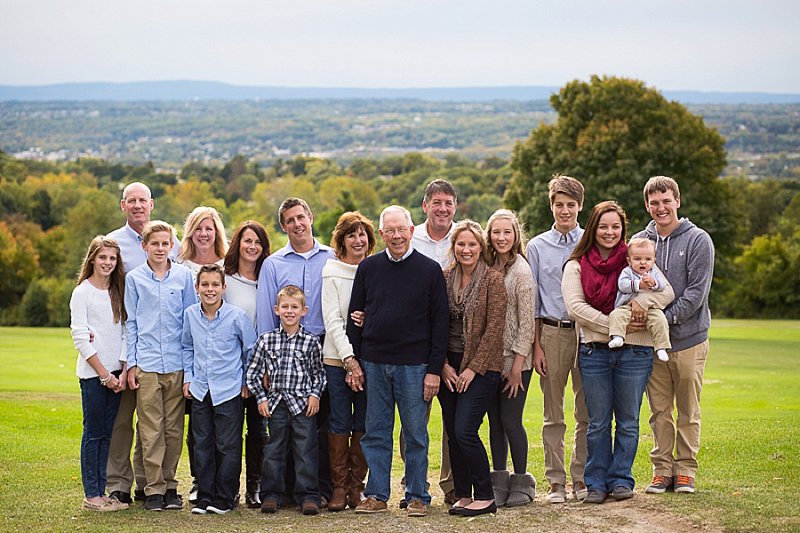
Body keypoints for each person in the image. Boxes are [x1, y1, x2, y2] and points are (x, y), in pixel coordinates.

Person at [562, 201, 674, 504]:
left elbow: (666, 292)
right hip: (594, 352)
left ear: (623, 230)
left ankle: (621, 479)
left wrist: (642, 303)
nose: (609, 232)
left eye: (615, 226)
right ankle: (596, 482)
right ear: (593, 228)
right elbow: (575, 308)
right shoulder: (576, 265)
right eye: (603, 226)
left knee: (628, 420)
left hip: (635, 352)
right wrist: (614, 325)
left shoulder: (637, 259)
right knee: (597, 422)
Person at [346, 205, 449, 518]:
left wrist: (434, 371)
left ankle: (417, 495)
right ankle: (377, 494)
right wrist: (357, 361)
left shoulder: (430, 270)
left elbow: (440, 325)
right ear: (381, 234)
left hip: (415, 366)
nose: (396, 236)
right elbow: (354, 317)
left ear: (411, 231)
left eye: (401, 229)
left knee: (415, 434)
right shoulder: (369, 268)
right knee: (376, 432)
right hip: (374, 364)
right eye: (390, 230)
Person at [635, 176, 715, 495]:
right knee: (659, 411)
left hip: (688, 341)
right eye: (654, 203)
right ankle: (662, 470)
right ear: (647, 206)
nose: (661, 208)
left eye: (666, 201)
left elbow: (696, 294)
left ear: (677, 201)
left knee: (688, 410)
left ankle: (685, 471)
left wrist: (660, 321)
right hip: (652, 345)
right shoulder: (640, 241)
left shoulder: (698, 240)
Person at [256, 197, 336, 505]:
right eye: (290, 220)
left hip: (323, 346)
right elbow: (266, 315)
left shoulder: (331, 257)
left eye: (301, 217)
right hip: (282, 352)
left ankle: (318, 490)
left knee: (318, 424)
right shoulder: (273, 264)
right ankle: (283, 491)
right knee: (281, 429)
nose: (297, 224)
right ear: (283, 226)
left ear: (310, 217)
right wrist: (267, 365)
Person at [105, 182, 178, 505]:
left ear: (152, 204)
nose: (137, 205)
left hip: (164, 353)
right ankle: (119, 483)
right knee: (124, 422)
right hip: (123, 343)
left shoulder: (171, 245)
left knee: (158, 425)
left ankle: (149, 483)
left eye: (142, 200)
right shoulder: (113, 242)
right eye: (131, 200)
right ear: (123, 205)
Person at [526, 175, 589, 503]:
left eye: (571, 205)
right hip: (552, 333)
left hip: (587, 333)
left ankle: (581, 477)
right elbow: (534, 301)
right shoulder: (537, 247)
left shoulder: (590, 242)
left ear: (580, 206)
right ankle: (556, 482)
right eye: (559, 204)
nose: (565, 211)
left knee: (586, 411)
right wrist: (536, 346)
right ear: (551, 206)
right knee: (553, 413)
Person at [125, 220, 196, 512]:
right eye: (154, 243)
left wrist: (190, 370)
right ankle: (153, 489)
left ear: (172, 246)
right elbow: (131, 323)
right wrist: (131, 364)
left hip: (177, 364)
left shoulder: (183, 277)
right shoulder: (134, 279)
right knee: (151, 429)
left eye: (165, 243)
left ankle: (169, 486)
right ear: (144, 246)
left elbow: (191, 324)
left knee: (173, 430)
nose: (160, 248)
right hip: (148, 363)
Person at [439, 220, 506, 517]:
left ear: (481, 247)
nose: (466, 250)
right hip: (448, 365)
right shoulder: (444, 278)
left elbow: (494, 330)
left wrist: (472, 369)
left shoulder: (493, 280)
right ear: (454, 247)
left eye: (472, 244)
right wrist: (442, 365)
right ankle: (463, 494)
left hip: (482, 367)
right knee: (453, 433)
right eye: (461, 244)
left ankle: (486, 496)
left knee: (465, 430)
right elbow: (435, 323)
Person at [182, 264, 257, 515]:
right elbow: (187, 347)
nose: (210, 289)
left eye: (215, 284)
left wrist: (246, 381)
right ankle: (205, 496)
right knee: (202, 444)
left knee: (228, 445)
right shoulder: (191, 315)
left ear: (224, 287)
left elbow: (249, 351)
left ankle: (225, 497)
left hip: (229, 390)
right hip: (201, 390)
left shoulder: (236, 316)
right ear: (197, 287)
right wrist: (188, 378)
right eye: (205, 284)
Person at [246, 285, 327, 516]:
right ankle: (272, 494)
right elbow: (253, 373)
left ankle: (307, 495)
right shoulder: (266, 340)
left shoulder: (311, 341)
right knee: (274, 450)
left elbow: (319, 373)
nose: (289, 311)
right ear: (276, 309)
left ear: (304, 311)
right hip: (275, 405)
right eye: (285, 307)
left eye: (294, 307)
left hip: (303, 405)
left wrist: (315, 395)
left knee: (305, 450)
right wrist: (261, 398)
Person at [321, 212, 376, 511]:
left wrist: (371, 319)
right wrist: (349, 360)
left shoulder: (376, 268)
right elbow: (332, 320)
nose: (358, 240)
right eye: (351, 235)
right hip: (336, 358)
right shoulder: (331, 271)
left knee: (364, 421)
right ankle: (339, 488)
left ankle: (357, 487)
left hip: (371, 358)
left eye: (362, 234)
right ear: (341, 240)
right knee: (340, 421)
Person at [70, 236, 129, 512]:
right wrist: (105, 375)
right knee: (93, 434)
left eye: (112, 258)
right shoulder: (82, 293)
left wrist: (123, 370)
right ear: (92, 258)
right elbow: (81, 339)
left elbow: (126, 331)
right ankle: (92, 495)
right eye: (103, 257)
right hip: (94, 376)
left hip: (117, 375)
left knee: (107, 434)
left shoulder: (117, 291)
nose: (107, 263)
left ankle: (103, 493)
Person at [408, 178, 457, 505]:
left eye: (448, 203)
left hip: (457, 339)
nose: (442, 208)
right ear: (425, 205)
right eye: (436, 202)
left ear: (456, 207)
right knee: (414, 419)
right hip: (417, 339)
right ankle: (414, 484)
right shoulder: (410, 238)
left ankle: (452, 484)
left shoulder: (466, 237)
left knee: (454, 421)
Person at [484, 209, 537, 507]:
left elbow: (527, 324)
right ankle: (499, 479)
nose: (501, 237)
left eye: (507, 232)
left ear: (516, 236)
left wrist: (517, 367)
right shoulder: (486, 265)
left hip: (516, 360)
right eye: (496, 232)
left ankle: (521, 480)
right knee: (494, 422)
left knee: (510, 420)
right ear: (489, 235)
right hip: (489, 360)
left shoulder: (521, 271)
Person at [176, 205, 229, 502]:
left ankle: (222, 484)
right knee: (197, 428)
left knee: (223, 430)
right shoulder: (180, 265)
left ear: (216, 232)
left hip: (222, 359)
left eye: (209, 228)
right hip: (192, 356)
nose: (204, 233)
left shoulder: (227, 263)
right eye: (198, 228)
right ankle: (200, 480)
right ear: (190, 232)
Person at [222, 220, 271, 508]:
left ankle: (256, 486)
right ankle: (226, 487)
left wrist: (261, 369)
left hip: (260, 366)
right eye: (247, 241)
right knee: (227, 432)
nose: (252, 247)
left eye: (257, 242)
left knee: (258, 430)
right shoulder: (225, 279)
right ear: (237, 244)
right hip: (228, 367)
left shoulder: (268, 277)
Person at [608, 238, 672, 362]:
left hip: (651, 308)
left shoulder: (654, 273)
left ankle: (661, 347)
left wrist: (654, 283)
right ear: (629, 260)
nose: (643, 262)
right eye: (637, 259)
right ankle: (618, 337)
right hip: (627, 306)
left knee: (660, 320)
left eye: (648, 259)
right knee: (616, 315)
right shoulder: (627, 272)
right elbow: (622, 285)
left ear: (654, 260)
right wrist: (638, 285)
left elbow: (663, 286)